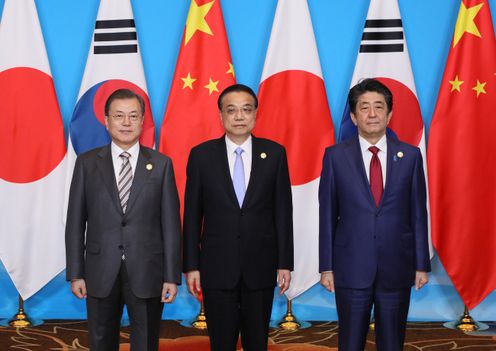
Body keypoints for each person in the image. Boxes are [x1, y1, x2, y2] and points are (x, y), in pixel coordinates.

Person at [65, 89, 182, 351]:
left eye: (133, 116)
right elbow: (75, 222)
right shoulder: (87, 164)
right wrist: (76, 273)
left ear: (143, 121)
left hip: (148, 270)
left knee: (146, 341)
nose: (126, 123)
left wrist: (171, 276)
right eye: (119, 116)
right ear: (106, 121)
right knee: (100, 340)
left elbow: (171, 225)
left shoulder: (162, 165)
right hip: (99, 270)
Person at [319, 78, 430, 351]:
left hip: (397, 266)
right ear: (354, 117)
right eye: (364, 107)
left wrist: (421, 264)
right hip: (350, 267)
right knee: (350, 342)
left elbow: (417, 213)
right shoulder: (335, 157)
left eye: (379, 107)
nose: (372, 114)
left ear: (389, 114)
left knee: (392, 343)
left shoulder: (411, 156)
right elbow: (327, 215)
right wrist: (326, 266)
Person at [183, 84, 294, 351]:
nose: (239, 116)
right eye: (231, 110)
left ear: (256, 114)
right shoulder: (201, 156)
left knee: (257, 342)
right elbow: (191, 215)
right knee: (221, 342)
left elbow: (283, 212)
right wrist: (192, 265)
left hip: (261, 265)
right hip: (216, 267)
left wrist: (284, 263)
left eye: (246, 110)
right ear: (220, 116)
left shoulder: (275, 154)